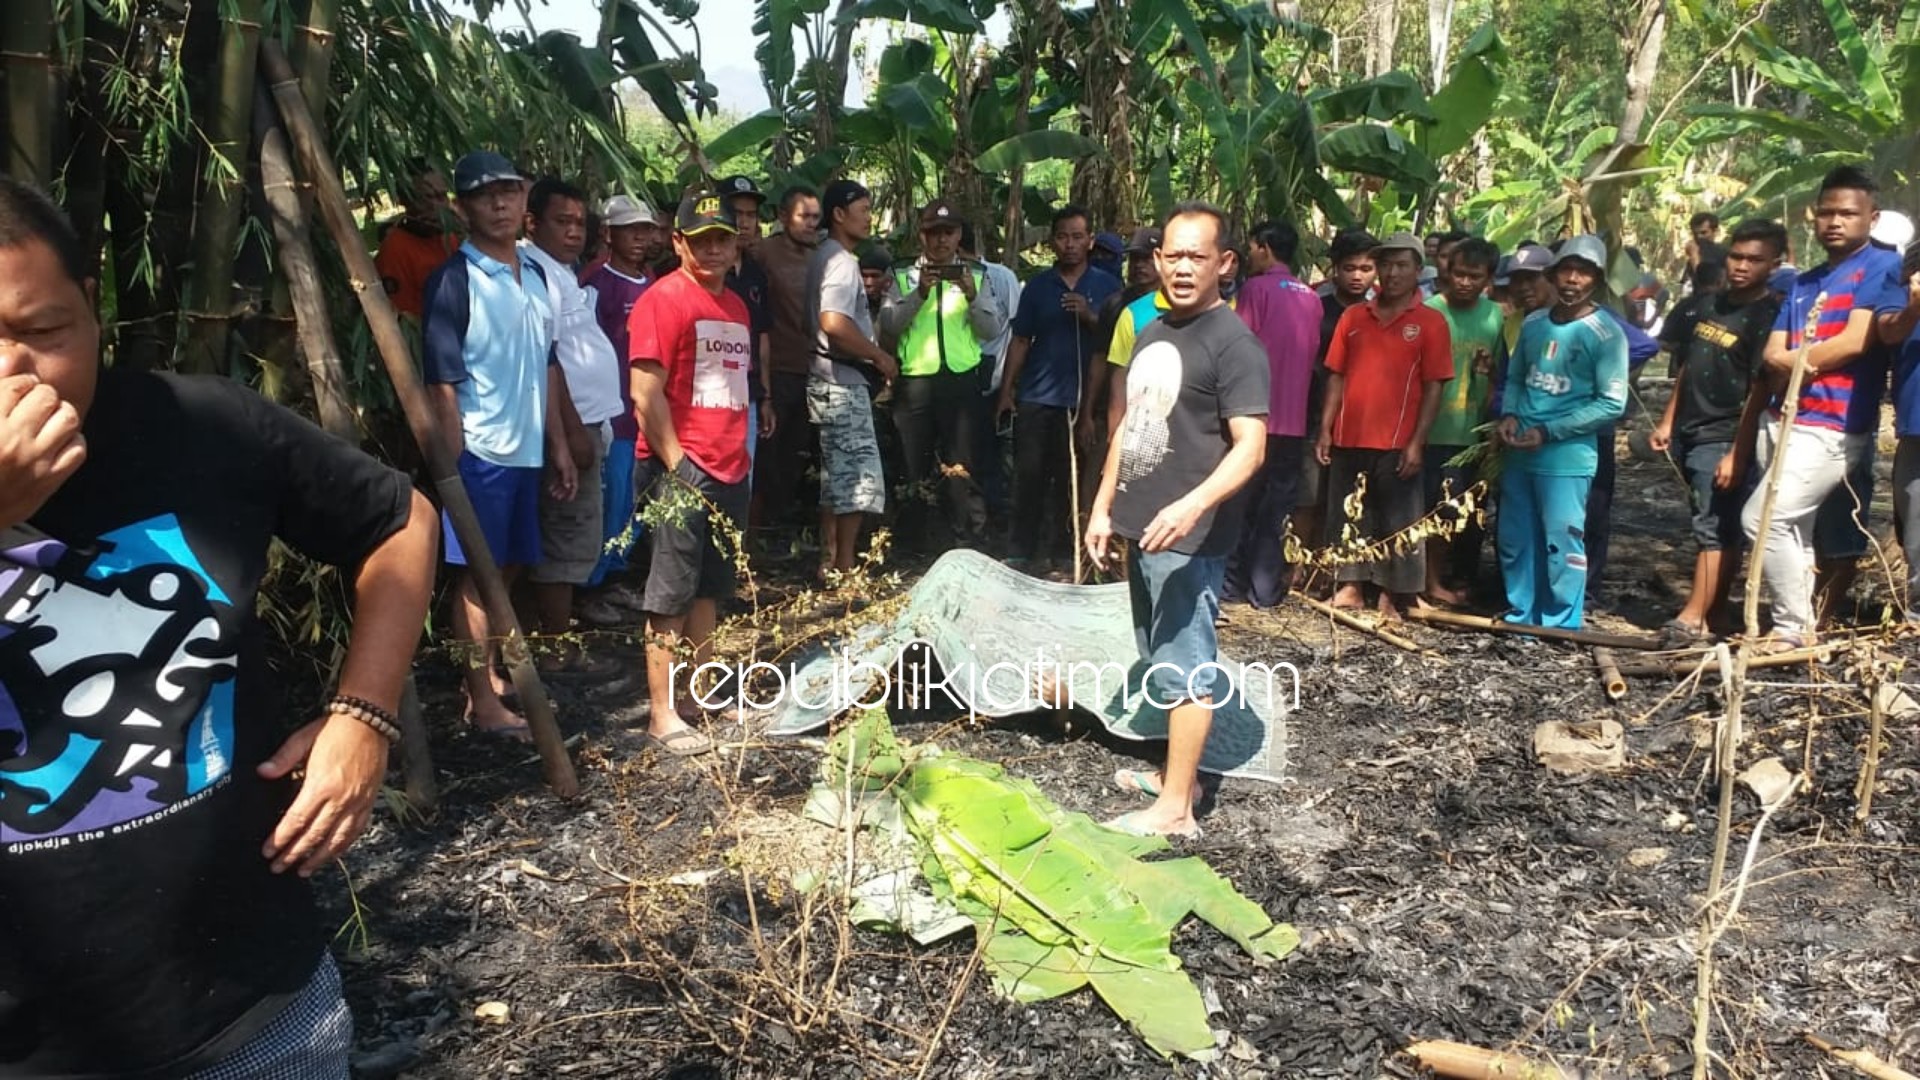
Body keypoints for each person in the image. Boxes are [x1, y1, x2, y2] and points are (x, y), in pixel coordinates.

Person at [0, 174, 438, 1077]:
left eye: (42, 331)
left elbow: (398, 521)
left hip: (257, 1014)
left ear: (92, 304)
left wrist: (365, 714)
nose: (12, 373)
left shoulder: (199, 427)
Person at [1084, 201, 1268, 839]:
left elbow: (1251, 446)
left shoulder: (1234, 344)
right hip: (1142, 529)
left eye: (1197, 256)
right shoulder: (1154, 329)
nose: (1183, 267)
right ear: (1156, 259)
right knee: (1159, 654)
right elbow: (1133, 425)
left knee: (1186, 662)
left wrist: (1192, 503)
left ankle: (1177, 810)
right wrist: (1105, 505)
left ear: (1224, 263)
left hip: (1190, 536)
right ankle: (1176, 778)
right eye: (1173, 254)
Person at [422, 151, 575, 739]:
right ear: (463, 208)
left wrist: (557, 444)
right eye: (486, 195)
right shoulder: (454, 280)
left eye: (509, 192)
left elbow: (548, 363)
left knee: (505, 569)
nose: (501, 204)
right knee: (474, 575)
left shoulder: (534, 275)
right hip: (481, 452)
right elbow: (442, 379)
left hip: (526, 450)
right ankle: (480, 699)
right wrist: (455, 465)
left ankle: (488, 678)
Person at [1744, 166, 1907, 648]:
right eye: (1827, 212)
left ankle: (1793, 628)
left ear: (1871, 218)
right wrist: (1791, 363)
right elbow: (1773, 347)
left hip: (1832, 424)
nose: (1835, 221)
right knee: (1794, 529)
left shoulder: (1882, 268)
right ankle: (1799, 624)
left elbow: (1855, 343)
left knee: (1763, 519)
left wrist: (1791, 363)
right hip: (1782, 415)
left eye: (1848, 213)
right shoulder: (1805, 280)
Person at [627, 190, 755, 757]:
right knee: (670, 591)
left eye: (722, 238)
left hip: (731, 466)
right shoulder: (664, 300)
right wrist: (677, 463)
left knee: (711, 588)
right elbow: (644, 393)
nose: (713, 249)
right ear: (678, 242)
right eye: (700, 239)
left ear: (736, 243)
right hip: (680, 466)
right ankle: (661, 713)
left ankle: (700, 692)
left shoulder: (738, 307)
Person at [1647, 219, 1786, 642]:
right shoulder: (1709, 305)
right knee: (1712, 522)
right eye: (1736, 256)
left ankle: (1692, 616)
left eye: (1754, 260)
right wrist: (1669, 419)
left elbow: (1760, 387)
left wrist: (1738, 453)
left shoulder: (1768, 316)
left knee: (1714, 526)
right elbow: (1690, 364)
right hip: (1690, 427)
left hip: (1725, 433)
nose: (1742, 266)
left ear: (1773, 264)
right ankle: (1716, 614)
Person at [1315, 232, 1453, 619]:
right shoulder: (1354, 316)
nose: (1392, 273)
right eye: (1386, 265)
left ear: (1416, 270)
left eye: (1401, 265)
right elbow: (1336, 375)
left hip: (1397, 439)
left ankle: (1396, 591)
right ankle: (1350, 585)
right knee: (1347, 512)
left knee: (1400, 517)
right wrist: (1326, 428)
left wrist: (1417, 442)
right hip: (1349, 434)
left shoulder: (1430, 322)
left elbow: (1434, 386)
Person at [1496, 235, 1629, 630]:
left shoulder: (1606, 334)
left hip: (1567, 458)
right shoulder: (1535, 323)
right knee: (1517, 537)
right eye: (1567, 270)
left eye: (1583, 272)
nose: (1573, 279)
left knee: (1562, 540)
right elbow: (1518, 377)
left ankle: (1560, 622)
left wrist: (1550, 431)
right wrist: (1509, 415)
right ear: (1553, 275)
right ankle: (1522, 616)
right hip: (1520, 451)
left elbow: (1611, 404)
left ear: (1597, 281)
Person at [520, 179, 626, 673]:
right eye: (561, 222)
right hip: (570, 425)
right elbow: (546, 359)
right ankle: (554, 645)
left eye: (580, 223)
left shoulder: (558, 271)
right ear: (532, 223)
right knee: (563, 535)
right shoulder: (531, 271)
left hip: (589, 421)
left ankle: (553, 637)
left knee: (574, 535)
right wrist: (569, 433)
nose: (573, 232)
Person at [877, 198, 1005, 553]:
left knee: (961, 465)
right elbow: (888, 327)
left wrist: (972, 294)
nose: (941, 241)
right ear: (922, 236)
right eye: (934, 233)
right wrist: (919, 293)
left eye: (948, 233)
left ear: (959, 235)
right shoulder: (903, 276)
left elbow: (991, 329)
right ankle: (911, 543)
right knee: (911, 465)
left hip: (961, 381)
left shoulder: (977, 276)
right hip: (915, 381)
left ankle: (965, 539)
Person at [998, 204, 1122, 571]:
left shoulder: (1107, 286)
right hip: (1038, 396)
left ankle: (1066, 553)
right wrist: (1006, 391)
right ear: (1053, 242)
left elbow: (1114, 343)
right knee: (1029, 477)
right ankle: (1021, 551)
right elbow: (1020, 340)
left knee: (1074, 481)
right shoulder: (1038, 286)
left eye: (1077, 237)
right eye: (1063, 237)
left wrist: (1089, 316)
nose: (1070, 244)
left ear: (1090, 241)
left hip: (1085, 401)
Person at [1224, 220, 1321, 608]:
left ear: (1264, 247)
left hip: (1253, 418)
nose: (1249, 255)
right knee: (1277, 509)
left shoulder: (1255, 289)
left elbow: (1237, 347)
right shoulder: (1310, 297)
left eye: (1252, 248)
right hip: (1294, 421)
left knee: (1237, 504)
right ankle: (1264, 591)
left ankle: (1230, 588)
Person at [808, 180, 898, 581]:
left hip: (826, 376)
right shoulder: (842, 262)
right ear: (839, 214)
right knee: (857, 479)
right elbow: (833, 321)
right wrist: (877, 354)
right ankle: (845, 566)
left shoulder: (821, 256)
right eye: (862, 209)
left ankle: (830, 561)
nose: (868, 216)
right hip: (842, 381)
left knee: (835, 476)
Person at [579, 194, 657, 617]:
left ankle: (616, 577)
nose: (640, 238)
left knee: (634, 504)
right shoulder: (596, 282)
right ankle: (591, 586)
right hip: (614, 417)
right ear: (610, 234)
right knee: (608, 504)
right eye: (631, 230)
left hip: (646, 414)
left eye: (645, 229)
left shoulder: (653, 282)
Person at [1422, 236, 1503, 603]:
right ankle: (1429, 581)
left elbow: (1499, 370)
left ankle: (1453, 577)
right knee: (1432, 510)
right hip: (1431, 430)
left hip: (1472, 431)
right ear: (1446, 273)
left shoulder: (1494, 315)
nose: (1465, 283)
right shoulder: (1429, 312)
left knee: (1465, 513)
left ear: (1488, 279)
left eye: (1475, 276)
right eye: (1459, 274)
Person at [1296, 229, 1377, 554]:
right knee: (1308, 493)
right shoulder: (1314, 307)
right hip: (1312, 412)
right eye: (1350, 268)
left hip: (1362, 418)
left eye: (1366, 268)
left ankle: (1331, 560)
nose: (1358, 276)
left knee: (1347, 495)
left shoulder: (1381, 312)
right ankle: (1298, 562)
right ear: (1335, 267)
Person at [751, 185, 822, 536]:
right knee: (768, 453)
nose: (811, 224)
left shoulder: (821, 257)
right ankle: (759, 531)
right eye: (803, 217)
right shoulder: (763, 253)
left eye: (815, 218)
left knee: (797, 452)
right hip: (775, 368)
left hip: (812, 369)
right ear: (783, 217)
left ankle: (782, 524)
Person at [964, 224, 1023, 525]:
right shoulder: (931, 278)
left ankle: (1002, 519)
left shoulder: (1000, 277)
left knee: (998, 456)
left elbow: (1018, 330)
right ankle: (975, 521)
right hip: (960, 379)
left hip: (998, 376)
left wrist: (1009, 388)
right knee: (968, 454)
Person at [719, 176, 775, 487]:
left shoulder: (755, 273)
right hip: (707, 395)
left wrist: (766, 396)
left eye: (751, 216)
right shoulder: (703, 268)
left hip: (749, 394)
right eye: (736, 213)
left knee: (744, 483)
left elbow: (762, 337)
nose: (743, 223)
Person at [374, 160, 457, 319]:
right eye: (428, 197)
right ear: (407, 200)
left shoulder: (449, 238)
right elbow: (403, 317)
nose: (438, 206)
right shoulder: (395, 249)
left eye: (442, 196)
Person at [1660, 260, 1725, 378]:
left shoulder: (1683, 305)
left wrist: (1682, 349)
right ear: (1720, 282)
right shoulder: (1729, 307)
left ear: (1695, 281)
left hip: (1684, 373)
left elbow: (1663, 342)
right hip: (1719, 375)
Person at [1685, 211, 1726, 288]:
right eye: (1695, 234)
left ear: (1715, 232)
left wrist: (1694, 255)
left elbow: (1707, 284)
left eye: (1704, 233)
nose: (1699, 237)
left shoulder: (1720, 252)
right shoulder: (1695, 251)